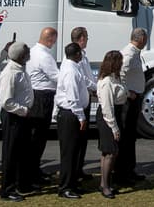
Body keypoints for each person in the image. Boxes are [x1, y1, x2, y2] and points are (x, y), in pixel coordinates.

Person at [0, 41, 34, 203]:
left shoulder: (20, 69)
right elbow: (6, 101)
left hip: (22, 116)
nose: (29, 54)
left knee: (22, 152)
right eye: (27, 52)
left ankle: (22, 183)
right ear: (21, 56)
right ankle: (7, 189)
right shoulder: (10, 73)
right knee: (11, 153)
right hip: (14, 116)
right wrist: (23, 110)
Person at [25, 27, 59, 190]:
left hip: (35, 95)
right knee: (38, 137)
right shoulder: (45, 56)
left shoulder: (33, 51)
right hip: (42, 97)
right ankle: (32, 174)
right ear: (51, 39)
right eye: (54, 39)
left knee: (35, 137)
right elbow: (56, 77)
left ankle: (34, 170)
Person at [55, 43, 89, 199]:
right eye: (80, 53)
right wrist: (81, 116)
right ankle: (65, 187)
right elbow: (72, 97)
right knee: (69, 152)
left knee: (74, 151)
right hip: (70, 114)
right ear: (76, 54)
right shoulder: (70, 71)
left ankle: (73, 184)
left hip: (72, 113)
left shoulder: (73, 67)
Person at [117, 28, 149, 185]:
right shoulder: (129, 53)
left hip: (134, 99)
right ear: (141, 38)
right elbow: (120, 75)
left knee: (131, 137)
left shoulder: (135, 52)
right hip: (128, 101)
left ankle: (130, 169)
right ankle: (123, 173)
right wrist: (128, 93)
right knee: (126, 138)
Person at [95, 50, 128, 199]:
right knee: (110, 151)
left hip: (116, 113)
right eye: (119, 62)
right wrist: (114, 127)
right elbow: (107, 107)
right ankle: (106, 186)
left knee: (108, 151)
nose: (121, 64)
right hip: (109, 117)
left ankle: (104, 183)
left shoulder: (115, 78)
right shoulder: (106, 81)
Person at [71, 27, 97, 182]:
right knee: (77, 140)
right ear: (81, 38)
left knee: (83, 139)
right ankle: (74, 171)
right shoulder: (76, 56)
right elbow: (82, 78)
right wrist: (95, 88)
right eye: (86, 37)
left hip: (86, 98)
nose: (87, 39)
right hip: (79, 102)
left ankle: (79, 168)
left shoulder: (83, 56)